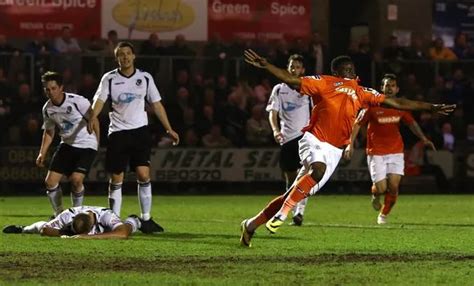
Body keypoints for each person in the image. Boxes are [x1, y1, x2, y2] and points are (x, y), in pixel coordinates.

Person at [240, 49, 455, 247]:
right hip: (313, 138)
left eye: (352, 69)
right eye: (346, 69)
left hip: (334, 150)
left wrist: (430, 107)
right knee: (317, 170)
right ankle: (283, 215)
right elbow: (291, 79)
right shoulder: (323, 82)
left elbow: (396, 102)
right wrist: (267, 65)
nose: (350, 71)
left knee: (293, 192)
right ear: (336, 71)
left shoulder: (362, 92)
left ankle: (250, 225)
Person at [87, 42, 179, 234]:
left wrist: (169, 129)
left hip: (140, 132)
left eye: (128, 53)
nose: (125, 57)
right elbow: (99, 101)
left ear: (134, 56)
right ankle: (113, 221)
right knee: (116, 178)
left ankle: (146, 219)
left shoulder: (145, 78)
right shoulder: (109, 78)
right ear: (117, 59)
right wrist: (92, 117)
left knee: (144, 175)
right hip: (118, 133)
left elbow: (157, 105)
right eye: (121, 55)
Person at [344, 74, 436, 224]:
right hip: (376, 152)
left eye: (392, 85)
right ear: (381, 88)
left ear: (397, 89)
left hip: (396, 151)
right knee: (381, 188)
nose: (389, 88)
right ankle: (375, 195)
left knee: (393, 186)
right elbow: (358, 124)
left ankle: (383, 215)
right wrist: (350, 143)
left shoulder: (401, 107)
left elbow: (412, 124)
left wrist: (423, 138)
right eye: (387, 85)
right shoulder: (372, 105)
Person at [37, 71, 99, 217]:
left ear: (61, 88)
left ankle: (77, 214)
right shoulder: (47, 109)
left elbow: (94, 119)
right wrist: (42, 153)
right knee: (50, 182)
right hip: (67, 144)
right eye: (47, 89)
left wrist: (97, 143)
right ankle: (60, 215)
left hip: (86, 144)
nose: (50, 92)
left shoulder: (78, 101)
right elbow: (49, 132)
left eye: (53, 88)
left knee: (76, 180)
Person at [266, 54, 312, 226]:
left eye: (298, 67)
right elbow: (273, 112)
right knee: (291, 179)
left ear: (303, 70)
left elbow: (316, 111)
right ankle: (292, 209)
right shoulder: (279, 89)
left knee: (305, 177)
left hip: (305, 137)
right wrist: (276, 130)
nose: (295, 69)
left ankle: (299, 212)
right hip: (287, 139)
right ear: (288, 68)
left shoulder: (308, 88)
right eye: (292, 66)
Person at [2, 206, 143, 239]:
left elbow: (123, 233)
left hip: (107, 228)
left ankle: (136, 219)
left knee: (129, 225)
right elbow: (45, 230)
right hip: (70, 229)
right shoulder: (68, 215)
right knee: (43, 225)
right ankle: (23, 228)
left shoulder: (106, 215)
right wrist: (64, 234)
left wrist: (88, 237)